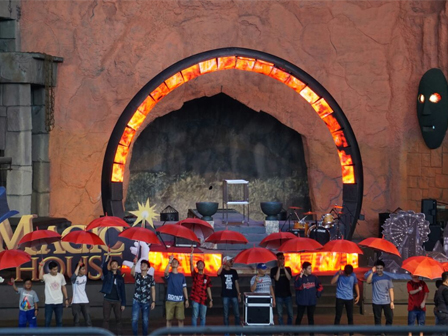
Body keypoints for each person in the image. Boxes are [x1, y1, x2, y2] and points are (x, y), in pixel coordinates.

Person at [100, 252, 126, 335]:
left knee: (118, 319)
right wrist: (107, 258)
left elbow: (123, 291)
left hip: (117, 301)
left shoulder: (120, 277)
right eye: (113, 264)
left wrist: (123, 304)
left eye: (116, 264)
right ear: (110, 266)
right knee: (106, 319)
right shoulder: (107, 274)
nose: (114, 265)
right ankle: (105, 334)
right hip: (107, 299)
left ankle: (119, 334)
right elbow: (104, 266)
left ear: (118, 266)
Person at [331, 264, 359, 335]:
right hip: (340, 297)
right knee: (338, 315)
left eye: (349, 274)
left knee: (350, 316)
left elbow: (356, 284)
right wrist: (338, 274)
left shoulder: (353, 275)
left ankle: (351, 332)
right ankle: (335, 332)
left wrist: (358, 295)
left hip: (349, 298)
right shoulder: (339, 274)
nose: (348, 275)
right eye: (347, 274)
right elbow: (332, 282)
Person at [39, 260, 69, 327]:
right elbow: (40, 277)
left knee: (59, 321)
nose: (56, 271)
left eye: (57, 269)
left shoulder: (61, 276)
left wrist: (66, 298)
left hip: (59, 302)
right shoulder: (46, 276)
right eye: (54, 269)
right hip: (49, 302)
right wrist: (41, 266)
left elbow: (63, 287)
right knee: (47, 321)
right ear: (50, 270)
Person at [294, 261, 323, 330]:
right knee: (299, 317)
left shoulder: (314, 277)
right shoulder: (298, 277)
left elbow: (320, 286)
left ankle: (311, 333)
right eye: (309, 268)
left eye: (311, 268)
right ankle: (296, 333)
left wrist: (317, 294)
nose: (311, 270)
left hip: (311, 302)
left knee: (311, 318)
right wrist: (301, 276)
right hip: (302, 302)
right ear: (304, 269)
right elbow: (297, 286)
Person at [366, 260, 394, 330]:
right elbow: (368, 281)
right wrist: (372, 272)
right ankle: (378, 333)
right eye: (377, 268)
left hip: (386, 302)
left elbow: (391, 290)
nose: (379, 270)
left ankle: (386, 332)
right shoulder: (373, 276)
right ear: (375, 268)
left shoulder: (387, 277)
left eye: (381, 268)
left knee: (390, 318)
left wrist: (392, 301)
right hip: (376, 302)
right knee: (377, 319)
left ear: (383, 268)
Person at [131, 258, 156, 336]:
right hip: (136, 300)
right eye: (142, 265)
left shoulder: (150, 278)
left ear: (148, 268)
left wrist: (153, 301)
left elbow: (153, 289)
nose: (143, 266)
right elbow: (132, 273)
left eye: (145, 265)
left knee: (145, 320)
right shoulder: (137, 275)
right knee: (134, 319)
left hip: (146, 301)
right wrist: (134, 264)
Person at [189, 246, 213, 327]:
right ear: (197, 266)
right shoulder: (194, 275)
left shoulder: (207, 277)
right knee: (194, 316)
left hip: (204, 299)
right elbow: (191, 263)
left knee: (203, 317)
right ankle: (194, 333)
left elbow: (208, 288)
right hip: (195, 299)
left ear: (204, 266)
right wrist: (191, 253)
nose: (200, 265)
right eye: (198, 264)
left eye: (201, 264)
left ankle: (202, 333)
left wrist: (211, 299)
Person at [164, 255, 189, 328]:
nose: (174, 263)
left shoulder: (182, 276)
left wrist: (187, 299)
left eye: (176, 262)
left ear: (178, 265)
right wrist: (169, 262)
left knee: (181, 319)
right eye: (173, 262)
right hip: (170, 300)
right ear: (171, 264)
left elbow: (184, 288)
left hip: (180, 300)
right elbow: (166, 273)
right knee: (169, 320)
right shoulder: (169, 275)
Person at [217, 256, 241, 330]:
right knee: (226, 314)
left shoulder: (234, 271)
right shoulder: (223, 271)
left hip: (234, 294)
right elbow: (218, 273)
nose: (232, 262)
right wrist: (222, 265)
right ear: (226, 262)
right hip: (225, 295)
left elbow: (236, 283)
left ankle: (238, 330)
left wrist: (238, 293)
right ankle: (226, 331)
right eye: (230, 261)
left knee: (237, 314)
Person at [270, 252, 293, 325]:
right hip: (278, 294)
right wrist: (279, 268)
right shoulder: (273, 270)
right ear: (277, 260)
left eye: (283, 258)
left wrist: (284, 268)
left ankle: (289, 329)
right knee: (280, 314)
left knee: (290, 313)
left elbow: (289, 278)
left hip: (287, 294)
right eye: (280, 258)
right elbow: (276, 278)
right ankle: (282, 330)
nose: (282, 260)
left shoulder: (288, 268)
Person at [71, 260, 92, 327]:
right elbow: (73, 277)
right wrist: (78, 266)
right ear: (78, 270)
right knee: (76, 321)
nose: (84, 270)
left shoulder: (85, 277)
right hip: (76, 301)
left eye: (84, 269)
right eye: (82, 269)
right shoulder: (74, 279)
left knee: (88, 319)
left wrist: (80, 266)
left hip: (85, 300)